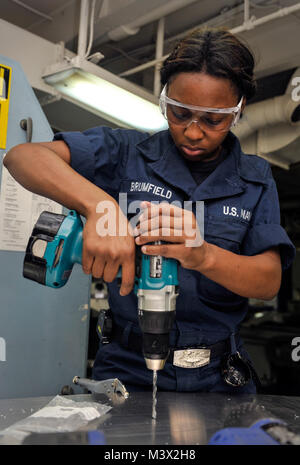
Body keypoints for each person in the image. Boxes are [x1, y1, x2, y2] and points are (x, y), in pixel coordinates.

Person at [4, 27, 295, 394]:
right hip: (126, 368)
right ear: (164, 99)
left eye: (212, 120)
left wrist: (202, 255)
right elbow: (22, 157)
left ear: (238, 111)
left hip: (217, 377)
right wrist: (101, 207)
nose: (192, 132)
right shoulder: (125, 152)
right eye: (179, 112)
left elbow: (268, 282)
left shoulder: (255, 178)